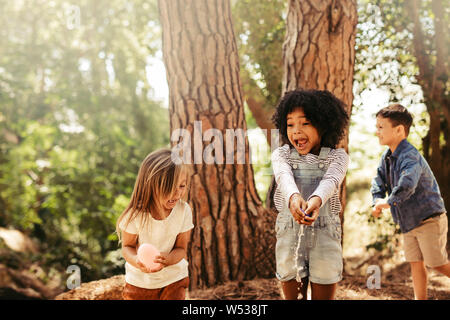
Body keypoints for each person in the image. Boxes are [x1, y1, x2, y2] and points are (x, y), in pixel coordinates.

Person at [271, 89, 349, 300]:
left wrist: (315, 201)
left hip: (324, 235)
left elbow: (331, 181)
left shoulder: (338, 157)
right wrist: (294, 198)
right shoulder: (281, 155)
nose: (296, 131)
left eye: (305, 123)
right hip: (289, 235)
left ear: (324, 125)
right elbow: (283, 177)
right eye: (290, 124)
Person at [371, 104, 449, 300]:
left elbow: (408, 184)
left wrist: (389, 202)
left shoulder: (410, 156)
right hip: (408, 222)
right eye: (376, 126)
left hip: (428, 219)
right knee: (416, 262)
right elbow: (378, 180)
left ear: (398, 130)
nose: (377, 131)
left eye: (381, 127)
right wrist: (377, 199)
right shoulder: (386, 157)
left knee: (436, 263)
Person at [116, 148, 194, 300]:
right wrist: (137, 261)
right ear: (151, 185)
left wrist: (170, 259)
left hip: (174, 279)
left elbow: (181, 248)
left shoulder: (183, 210)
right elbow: (127, 247)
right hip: (139, 283)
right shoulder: (136, 215)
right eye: (170, 188)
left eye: (182, 186)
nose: (177, 194)